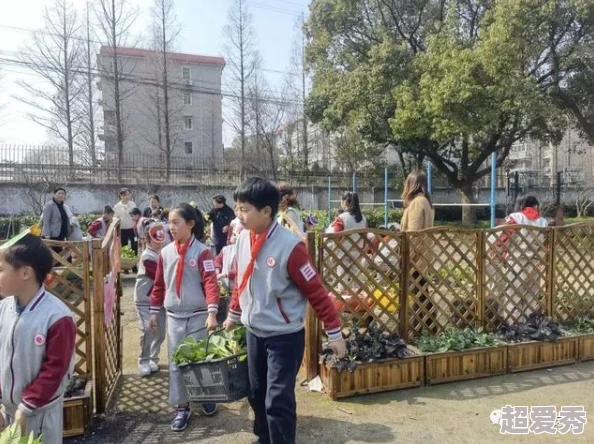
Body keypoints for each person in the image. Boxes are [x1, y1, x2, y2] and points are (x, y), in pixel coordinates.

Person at [223, 177, 345, 444]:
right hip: (255, 332)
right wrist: (233, 314)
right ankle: (264, 438)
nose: (238, 215)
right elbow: (241, 280)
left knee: (277, 399)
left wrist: (334, 333)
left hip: (284, 336)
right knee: (256, 393)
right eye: (237, 208)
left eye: (244, 209)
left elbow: (317, 292)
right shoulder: (243, 239)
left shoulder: (291, 247)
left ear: (266, 211)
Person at [149, 203, 220, 432]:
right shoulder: (165, 253)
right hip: (174, 317)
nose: (171, 227)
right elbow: (159, 284)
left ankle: (206, 395)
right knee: (176, 363)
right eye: (169, 222)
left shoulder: (202, 251)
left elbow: (210, 281)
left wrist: (212, 312)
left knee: (201, 360)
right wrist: (153, 312)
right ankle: (182, 406)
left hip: (198, 315)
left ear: (190, 224)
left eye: (175, 222)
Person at [0, 234, 76, 443]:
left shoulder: (57, 317)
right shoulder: (3, 308)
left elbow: (55, 370)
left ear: (25, 273)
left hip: (40, 414)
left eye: (1, 269)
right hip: (7, 412)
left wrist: (26, 407)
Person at [496, 195, 549, 322]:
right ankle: (529, 323)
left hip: (516, 260)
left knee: (513, 293)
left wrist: (499, 249)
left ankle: (514, 324)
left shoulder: (516, 217)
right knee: (531, 294)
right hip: (535, 260)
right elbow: (546, 241)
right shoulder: (543, 221)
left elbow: (504, 237)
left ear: (522, 205)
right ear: (536, 206)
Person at [400, 170, 435, 332]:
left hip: (415, 256)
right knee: (422, 291)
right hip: (424, 254)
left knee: (417, 293)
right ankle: (429, 325)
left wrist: (407, 255)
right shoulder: (426, 202)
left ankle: (416, 328)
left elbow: (413, 233)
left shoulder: (416, 203)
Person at [135, 223, 167, 377]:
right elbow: (159, 278)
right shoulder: (148, 256)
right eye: (156, 239)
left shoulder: (161, 253)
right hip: (144, 299)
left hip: (158, 299)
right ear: (147, 239)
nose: (159, 242)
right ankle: (143, 360)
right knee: (148, 330)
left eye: (160, 239)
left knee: (160, 332)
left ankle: (153, 358)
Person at [114, 188, 138, 254]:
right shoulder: (117, 206)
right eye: (125, 195)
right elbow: (115, 219)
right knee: (124, 246)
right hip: (123, 230)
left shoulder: (133, 204)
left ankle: (134, 262)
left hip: (132, 229)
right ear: (121, 196)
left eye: (128, 195)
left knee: (134, 245)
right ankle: (125, 262)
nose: (127, 197)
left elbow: (137, 215)